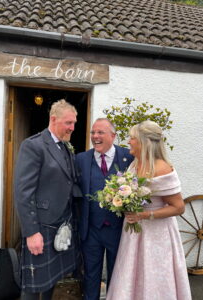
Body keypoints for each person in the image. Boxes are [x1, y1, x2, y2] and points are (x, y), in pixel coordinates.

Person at [106, 120, 192, 300]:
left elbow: (179, 207)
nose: (128, 141)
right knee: (131, 274)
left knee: (153, 277)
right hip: (133, 233)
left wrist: (145, 215)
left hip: (157, 237)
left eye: (132, 138)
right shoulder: (134, 164)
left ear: (144, 141)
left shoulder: (162, 168)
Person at [14, 99, 82, 300]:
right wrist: (32, 232)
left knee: (52, 278)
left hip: (62, 223)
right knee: (33, 283)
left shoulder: (65, 146)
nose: (72, 127)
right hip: (42, 226)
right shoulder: (33, 145)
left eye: (74, 123)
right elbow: (23, 192)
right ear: (54, 119)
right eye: (68, 123)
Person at [76, 118, 133, 300]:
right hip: (91, 230)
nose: (95, 136)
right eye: (93, 132)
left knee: (118, 276)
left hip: (119, 230)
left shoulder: (128, 157)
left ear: (113, 136)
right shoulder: (81, 159)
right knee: (91, 276)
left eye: (100, 132)